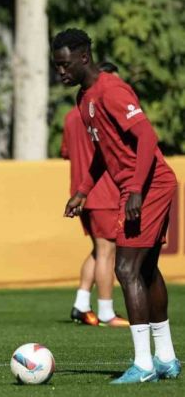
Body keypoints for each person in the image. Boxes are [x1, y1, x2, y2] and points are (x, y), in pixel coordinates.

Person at [55, 28, 181, 384]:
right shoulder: (83, 98)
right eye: (56, 66)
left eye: (65, 65)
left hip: (149, 185)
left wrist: (136, 189)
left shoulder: (110, 89)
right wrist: (83, 191)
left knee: (126, 269)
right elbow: (102, 152)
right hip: (139, 186)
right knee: (146, 270)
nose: (61, 72)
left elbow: (147, 136)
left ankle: (143, 364)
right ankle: (166, 358)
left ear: (84, 57)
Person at [61, 61, 128, 327]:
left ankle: (81, 304)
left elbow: (66, 152)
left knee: (99, 249)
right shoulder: (103, 111)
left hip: (80, 192)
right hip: (104, 190)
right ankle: (106, 311)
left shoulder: (71, 116)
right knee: (107, 250)